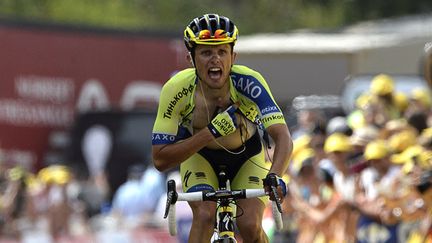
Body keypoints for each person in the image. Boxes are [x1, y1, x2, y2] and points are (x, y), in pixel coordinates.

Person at [152, 13, 292, 242]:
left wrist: (275, 175)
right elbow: (160, 159)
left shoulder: (250, 82)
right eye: (206, 52)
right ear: (191, 58)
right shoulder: (176, 89)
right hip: (200, 158)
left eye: (221, 52)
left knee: (249, 225)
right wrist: (210, 133)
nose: (214, 59)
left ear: (233, 56)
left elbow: (282, 136)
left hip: (247, 156)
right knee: (205, 215)